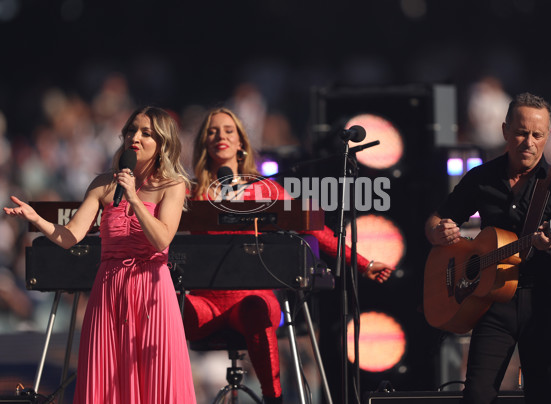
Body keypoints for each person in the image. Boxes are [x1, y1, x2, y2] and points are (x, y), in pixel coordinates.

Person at [183, 107, 394, 403]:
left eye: (229, 130)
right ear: (203, 142)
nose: (221, 136)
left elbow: (316, 232)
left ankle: (274, 399)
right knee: (166, 305)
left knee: (258, 308)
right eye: (213, 131)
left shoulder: (264, 189)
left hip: (251, 301)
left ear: (241, 142)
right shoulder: (189, 192)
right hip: (205, 303)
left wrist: (362, 263)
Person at [4, 106, 196, 404]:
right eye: (132, 130)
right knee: (105, 381)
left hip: (152, 294)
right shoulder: (104, 184)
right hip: (109, 291)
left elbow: (161, 240)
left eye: (146, 133)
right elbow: (71, 237)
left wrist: (133, 196)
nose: (135, 137)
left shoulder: (172, 186)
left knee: (154, 380)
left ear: (162, 144)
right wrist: (37, 219)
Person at [424, 93, 551, 404]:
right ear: (505, 131)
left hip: (543, 302)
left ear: (547, 136)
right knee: (476, 395)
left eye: (537, 135)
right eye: (521, 132)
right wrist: (438, 231)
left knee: (545, 395)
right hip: (492, 303)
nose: (529, 142)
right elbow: (436, 220)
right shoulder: (482, 178)